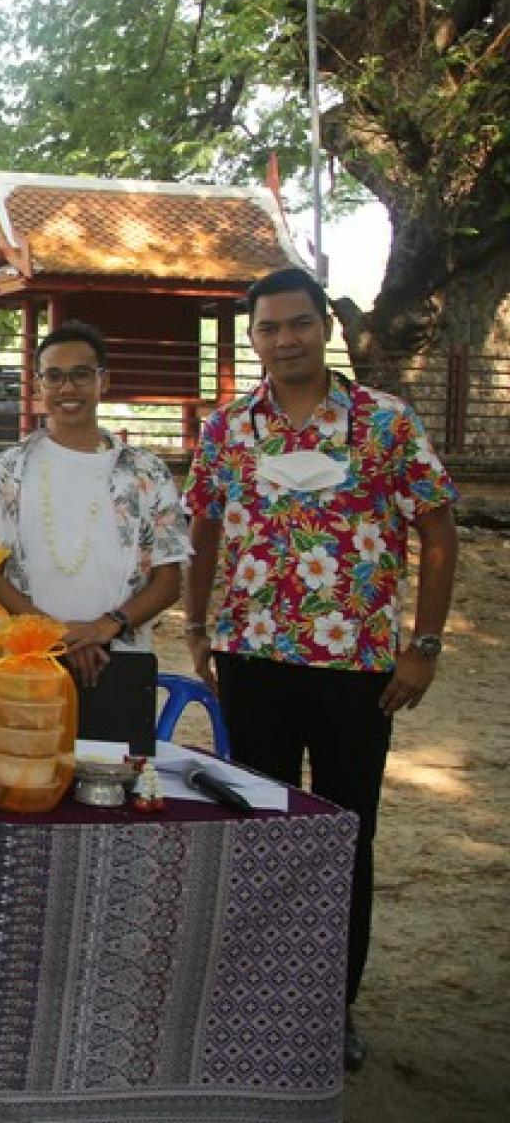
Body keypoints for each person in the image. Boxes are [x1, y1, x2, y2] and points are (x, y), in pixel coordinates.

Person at [183, 267, 458, 1072]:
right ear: (253, 338)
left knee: (345, 833)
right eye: (268, 328)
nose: (285, 340)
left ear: (325, 327)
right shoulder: (228, 428)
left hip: (357, 664)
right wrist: (197, 626)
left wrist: (425, 645)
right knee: (261, 829)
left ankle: (331, 1008)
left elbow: (438, 529)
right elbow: (202, 531)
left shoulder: (384, 421)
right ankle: (260, 997)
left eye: (299, 323)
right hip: (252, 658)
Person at [0, 322, 187, 752]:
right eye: (54, 376)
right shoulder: (4, 471)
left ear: (104, 381)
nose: (68, 388)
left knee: (114, 783)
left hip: (118, 662)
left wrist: (106, 627)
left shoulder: (147, 472)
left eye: (81, 374)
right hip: (26, 661)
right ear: (39, 386)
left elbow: (168, 582)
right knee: (21, 777)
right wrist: (54, 634)